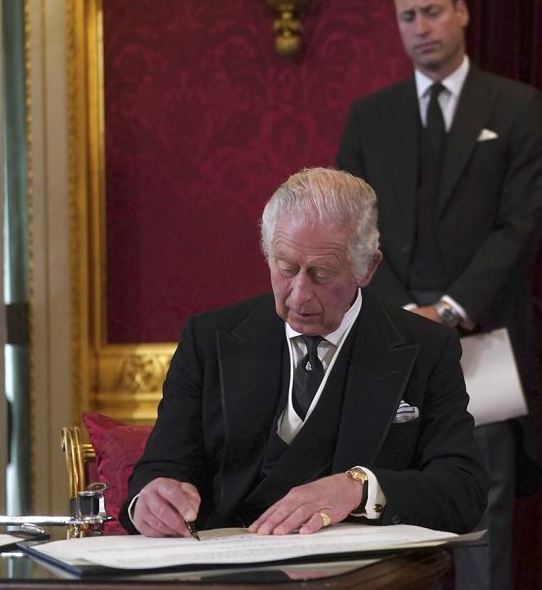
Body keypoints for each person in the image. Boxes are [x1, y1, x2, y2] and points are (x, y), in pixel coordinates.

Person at [120, 167, 487, 537]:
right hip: (228, 565)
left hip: (358, 573)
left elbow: (463, 491)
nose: (298, 294)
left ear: (368, 267)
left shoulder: (425, 347)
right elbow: (162, 467)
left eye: (322, 273)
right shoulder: (209, 338)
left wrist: (359, 488)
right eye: (286, 267)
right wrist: (149, 501)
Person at [336, 0, 542, 589]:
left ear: (461, 12)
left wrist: (450, 311)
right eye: (409, 16)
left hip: (481, 345)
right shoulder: (369, 118)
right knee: (384, 517)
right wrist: (407, 317)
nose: (422, 27)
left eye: (433, 12)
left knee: (483, 520)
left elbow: (520, 227)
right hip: (389, 343)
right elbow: (348, 232)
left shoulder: (515, 106)